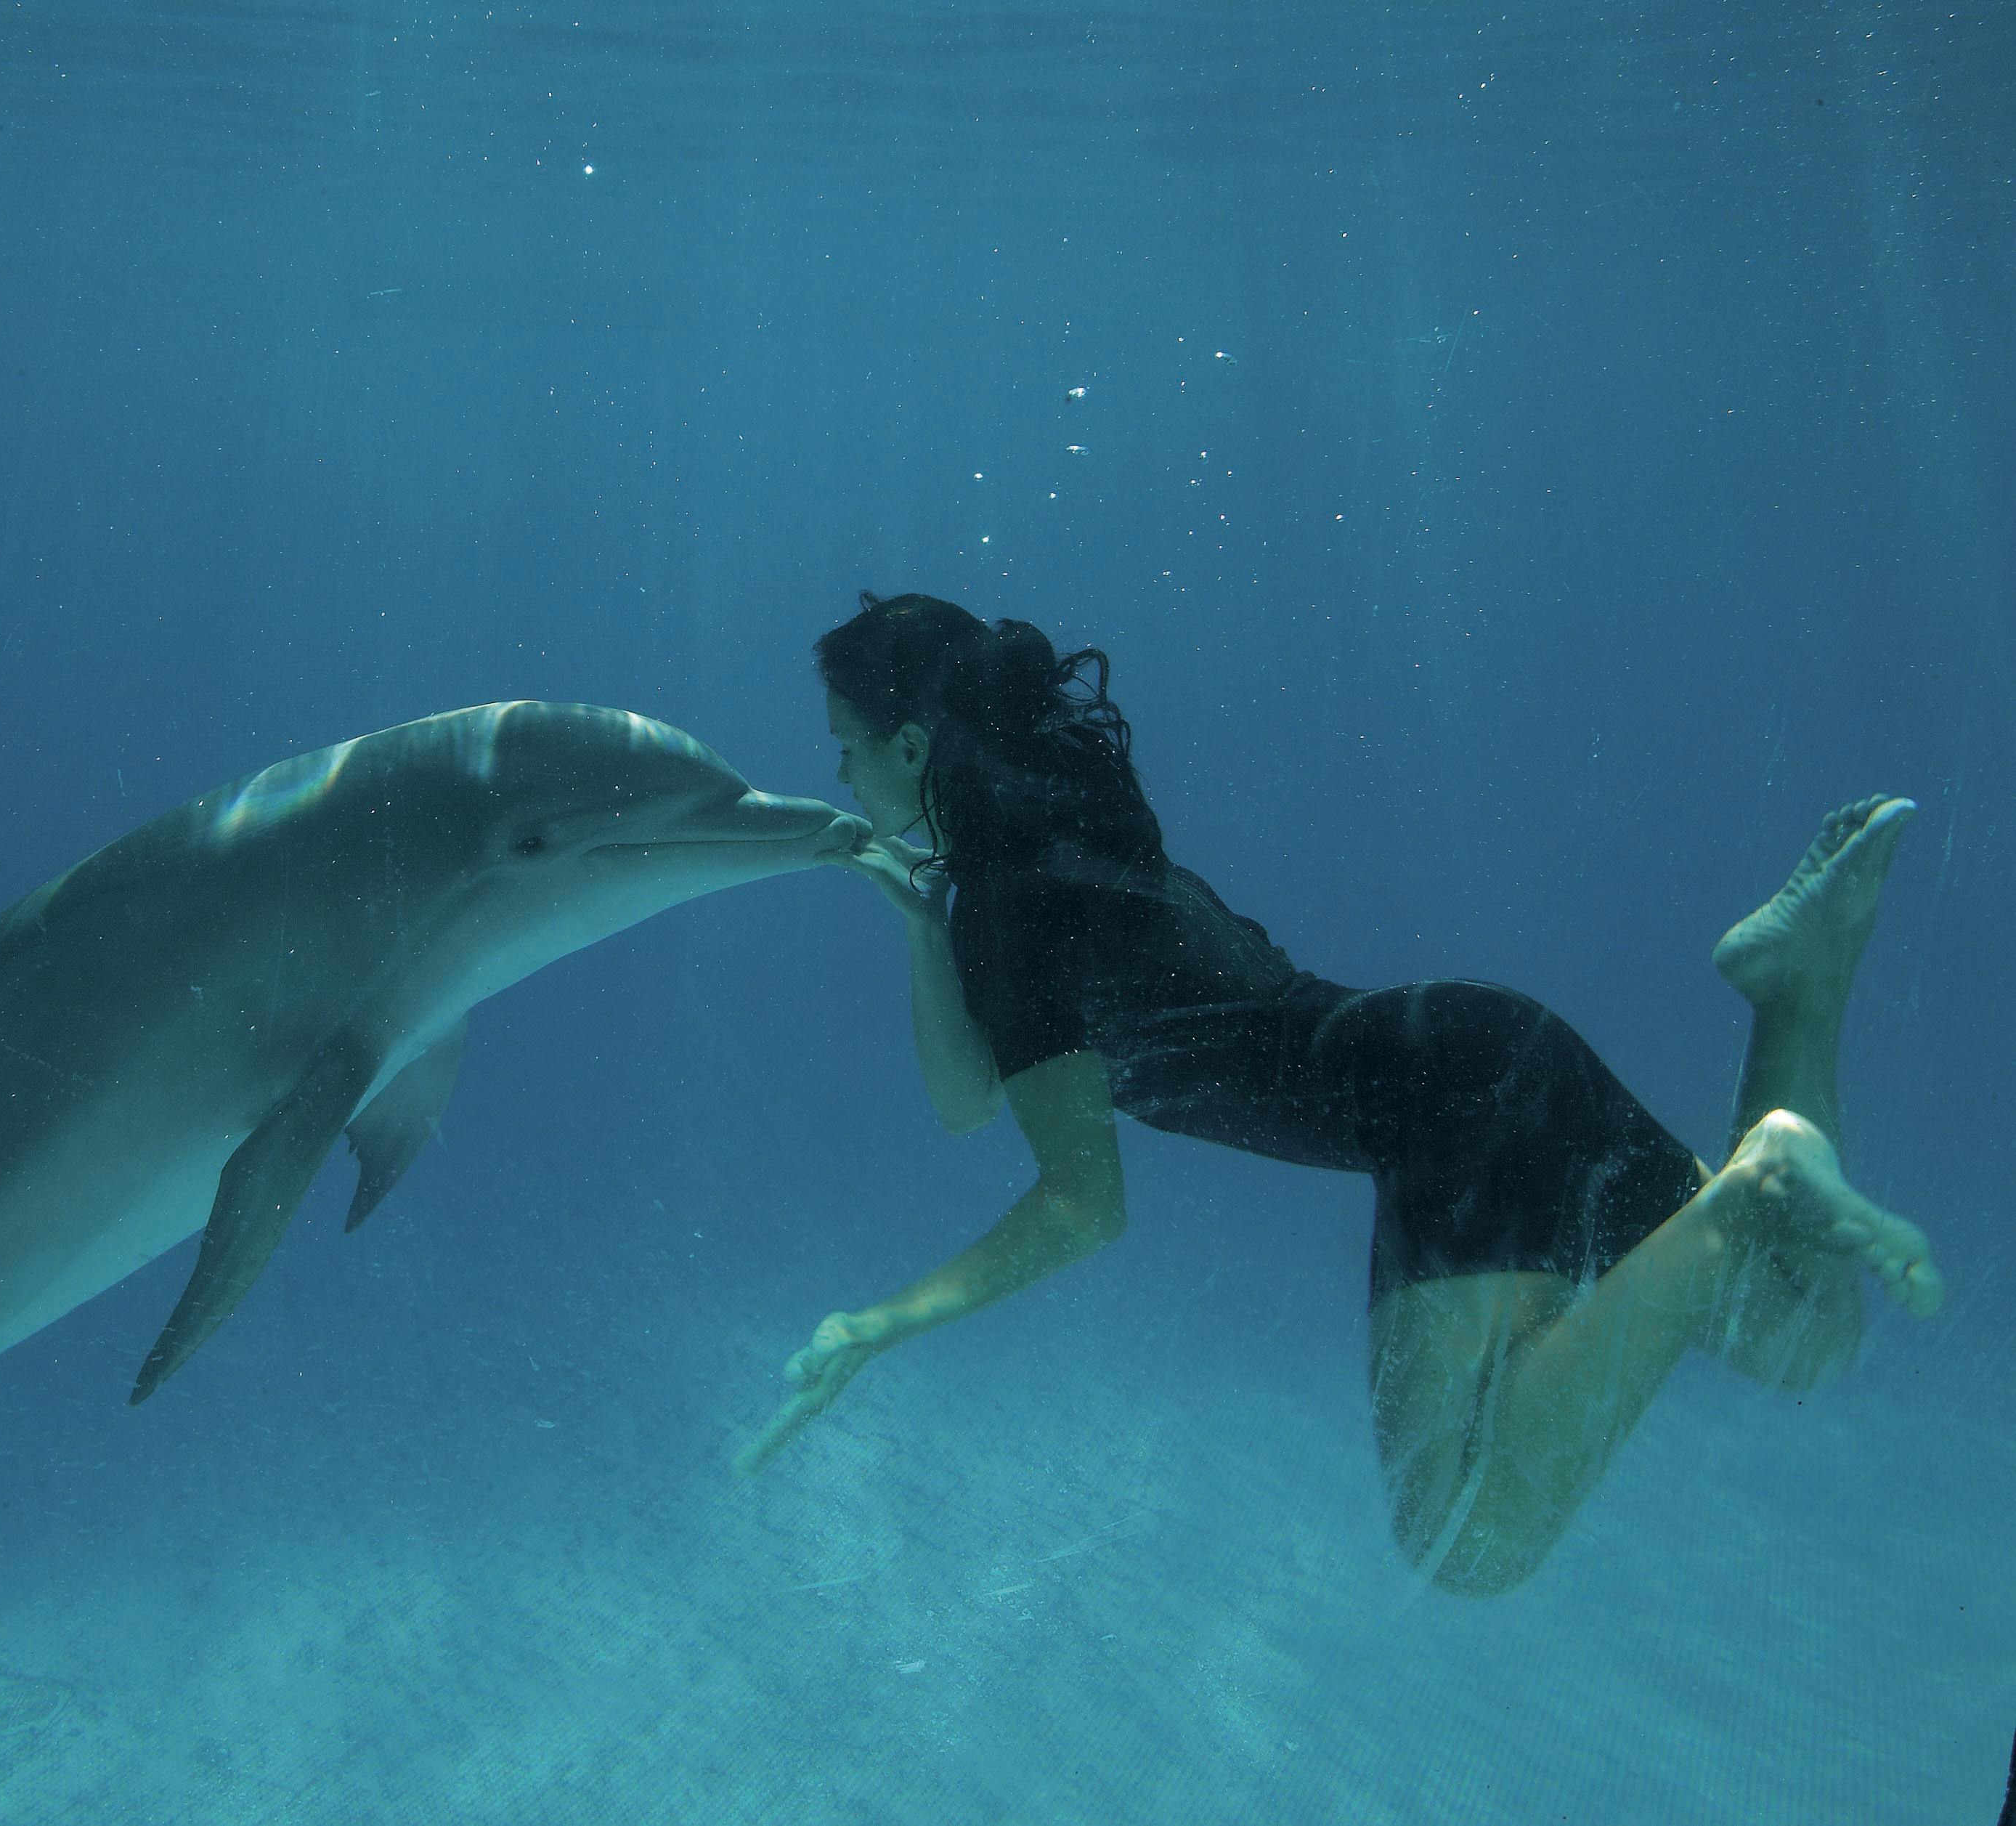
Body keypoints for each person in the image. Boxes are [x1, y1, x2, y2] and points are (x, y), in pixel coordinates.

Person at [739, 591, 1945, 1598]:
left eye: (844, 740)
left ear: (910, 747)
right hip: (1482, 1041)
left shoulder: (1007, 908)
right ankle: (1795, 988)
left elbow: (1079, 1204)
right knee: (1805, 1337)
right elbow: (966, 1096)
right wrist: (911, 911)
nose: (834, 766)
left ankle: (1751, 1189)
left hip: (1439, 1101)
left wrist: (881, 1325)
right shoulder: (1064, 837)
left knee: (1464, 1540)